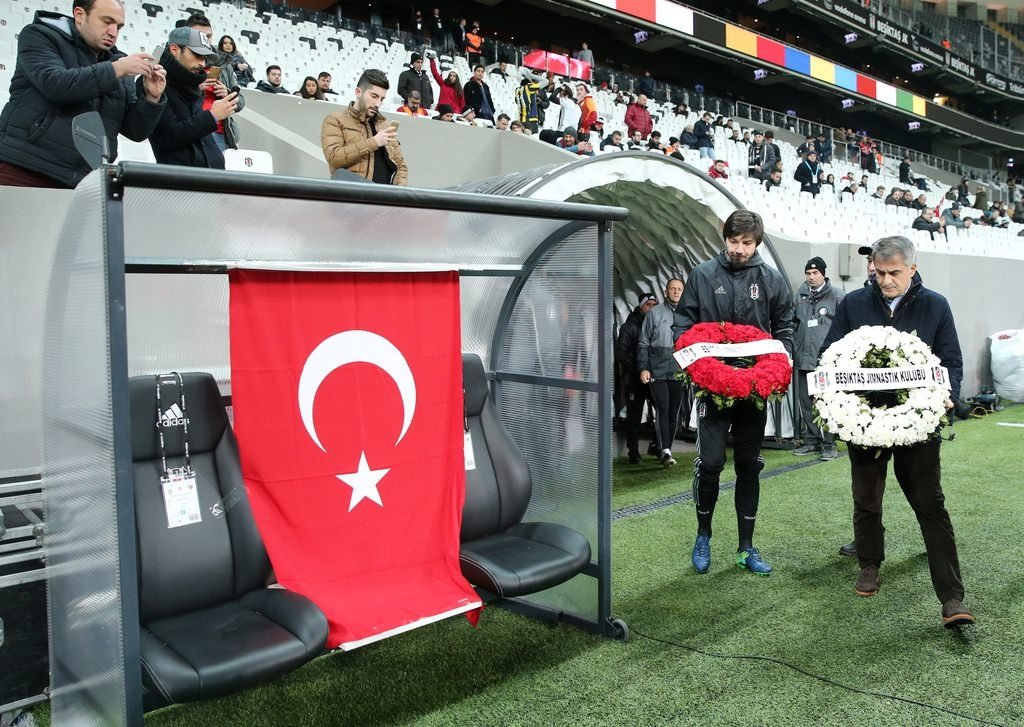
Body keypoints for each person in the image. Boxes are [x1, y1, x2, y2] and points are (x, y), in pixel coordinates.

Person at [819, 236, 973, 627]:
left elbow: (950, 360)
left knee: (930, 504)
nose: (885, 279)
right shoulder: (853, 303)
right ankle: (870, 564)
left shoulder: (935, 305)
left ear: (912, 269)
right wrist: (837, 405)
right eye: (879, 271)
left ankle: (952, 597)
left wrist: (948, 395)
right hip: (864, 420)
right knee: (866, 499)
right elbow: (830, 357)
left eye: (893, 273)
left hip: (919, 425)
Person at [675, 210, 794, 576]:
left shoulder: (771, 280)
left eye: (746, 243)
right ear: (724, 239)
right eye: (733, 241)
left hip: (754, 391)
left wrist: (776, 368)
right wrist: (696, 365)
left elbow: (786, 328)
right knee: (710, 464)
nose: (739, 249)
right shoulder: (703, 275)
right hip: (713, 388)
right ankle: (703, 536)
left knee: (748, 466)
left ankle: (746, 547)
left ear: (757, 243)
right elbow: (683, 325)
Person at [0, 0, 167, 188]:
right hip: (25, 166)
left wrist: (151, 98)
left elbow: (135, 132)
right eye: (106, 21)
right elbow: (55, 85)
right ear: (79, 15)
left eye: (118, 26)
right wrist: (115, 70)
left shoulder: (119, 63)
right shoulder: (39, 35)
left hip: (85, 181)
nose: (113, 32)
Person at [148, 26, 236, 169]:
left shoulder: (192, 83)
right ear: (175, 50)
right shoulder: (156, 81)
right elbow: (169, 136)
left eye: (205, 58)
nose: (202, 63)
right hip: (182, 182)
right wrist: (212, 116)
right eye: (197, 55)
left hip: (209, 178)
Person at [791, 257, 843, 461]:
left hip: (825, 360)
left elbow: (843, 326)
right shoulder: (800, 295)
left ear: (823, 274)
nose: (811, 277)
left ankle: (829, 443)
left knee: (826, 402)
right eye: (808, 274)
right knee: (806, 402)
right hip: (803, 357)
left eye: (815, 273)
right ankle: (812, 441)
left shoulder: (836, 296)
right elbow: (793, 322)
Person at [320, 68, 407, 185]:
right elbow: (334, 158)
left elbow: (400, 165)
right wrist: (374, 142)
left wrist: (398, 195)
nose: (378, 104)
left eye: (382, 99)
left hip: (383, 199)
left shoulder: (384, 125)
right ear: (358, 92)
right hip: (349, 198)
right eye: (374, 96)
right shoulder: (335, 120)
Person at [638, 279, 685, 468]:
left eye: (679, 289)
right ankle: (664, 450)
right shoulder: (654, 313)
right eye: (672, 289)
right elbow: (643, 343)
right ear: (666, 292)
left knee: (674, 411)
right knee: (663, 408)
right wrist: (643, 368)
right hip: (656, 369)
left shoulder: (688, 314)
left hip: (678, 370)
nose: (676, 292)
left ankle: (667, 448)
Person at [186, 15, 245, 151]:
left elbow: (241, 101)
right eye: (200, 36)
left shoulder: (225, 65)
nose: (206, 41)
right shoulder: (183, 63)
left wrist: (227, 94)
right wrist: (197, 87)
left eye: (209, 36)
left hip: (220, 132)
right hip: (192, 130)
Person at [616, 292, 658, 464]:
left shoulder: (655, 324)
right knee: (634, 416)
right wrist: (639, 370)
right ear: (641, 306)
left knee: (663, 412)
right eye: (649, 305)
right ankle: (633, 452)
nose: (652, 308)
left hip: (653, 378)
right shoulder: (630, 327)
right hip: (635, 380)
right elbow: (621, 354)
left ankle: (657, 446)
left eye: (655, 305)